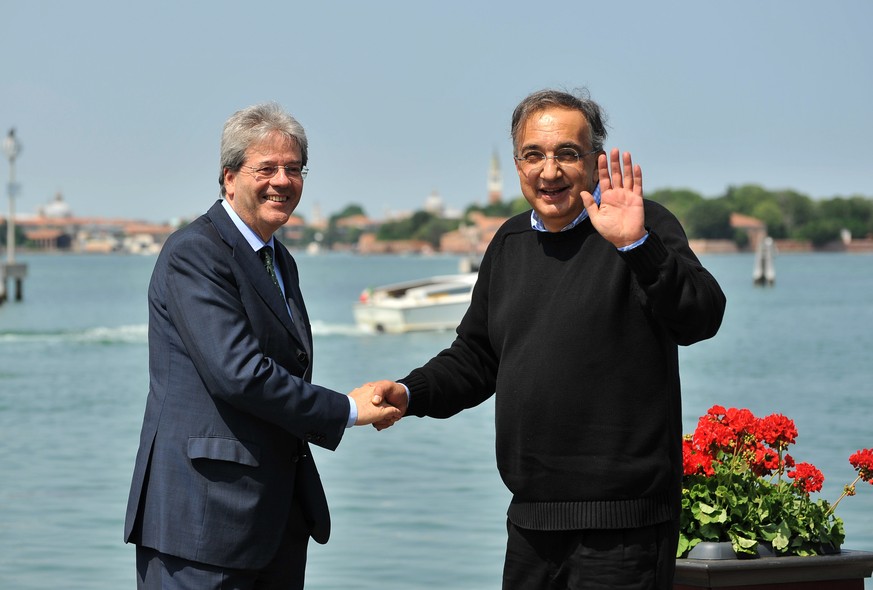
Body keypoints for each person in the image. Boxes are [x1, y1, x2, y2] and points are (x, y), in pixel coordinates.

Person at [369, 88, 726, 589]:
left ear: (596, 161)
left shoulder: (641, 227)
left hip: (625, 529)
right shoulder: (510, 242)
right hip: (531, 524)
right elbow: (476, 357)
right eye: (533, 155)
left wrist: (636, 246)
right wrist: (410, 393)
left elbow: (702, 318)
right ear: (517, 164)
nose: (549, 171)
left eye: (567, 154)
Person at [124, 102, 400, 590]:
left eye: (294, 169)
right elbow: (239, 373)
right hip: (202, 525)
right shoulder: (194, 253)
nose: (282, 180)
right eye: (266, 168)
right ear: (229, 178)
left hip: (274, 523)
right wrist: (347, 410)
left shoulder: (280, 258)